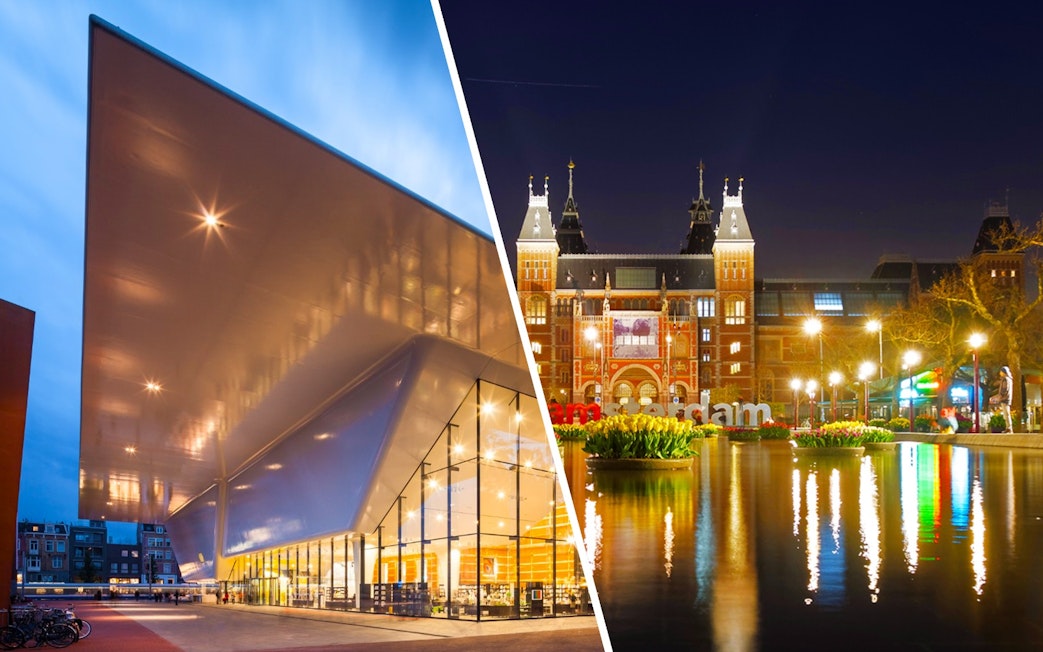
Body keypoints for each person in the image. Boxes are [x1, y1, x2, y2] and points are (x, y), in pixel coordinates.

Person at [998, 366, 1014, 433]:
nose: (1000, 373)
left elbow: (1005, 389)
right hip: (1007, 398)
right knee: (1006, 413)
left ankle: (1009, 428)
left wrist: (1001, 396)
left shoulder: (1005, 379)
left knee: (1006, 414)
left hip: (1004, 398)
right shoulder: (1009, 379)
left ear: (1004, 372)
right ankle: (1008, 427)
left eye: (1001, 371)